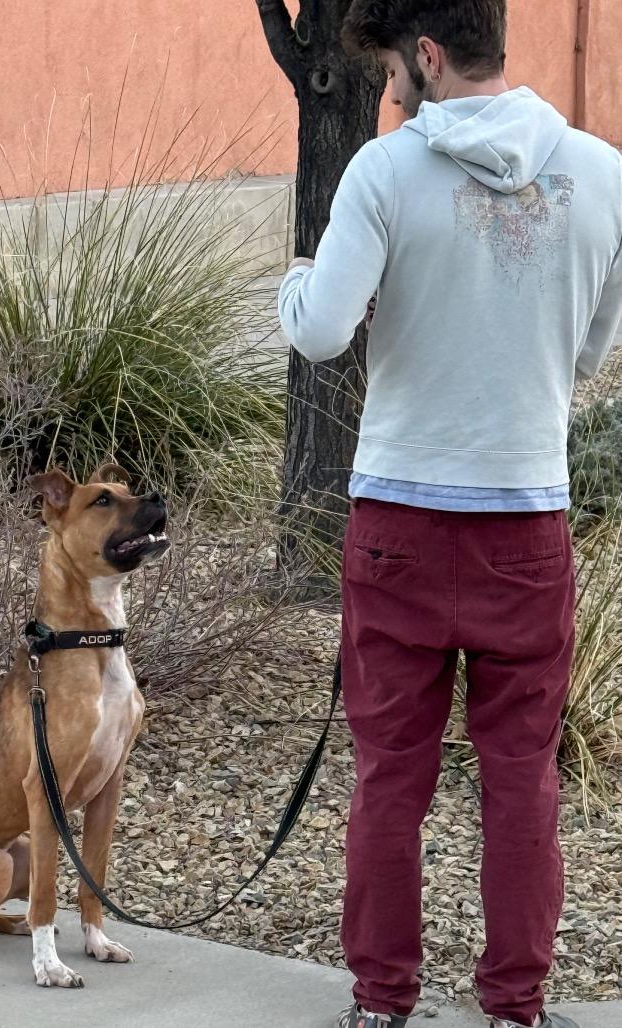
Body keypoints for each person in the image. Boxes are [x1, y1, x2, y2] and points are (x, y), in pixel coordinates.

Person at [276, 3, 622, 1027]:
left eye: (393, 68)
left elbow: (320, 332)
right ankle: (515, 1004)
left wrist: (297, 282)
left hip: (400, 520)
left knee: (391, 774)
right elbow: (589, 350)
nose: (391, 91)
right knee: (520, 775)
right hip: (525, 519)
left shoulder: (383, 172)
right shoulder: (602, 174)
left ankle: (381, 1001)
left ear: (426, 54)